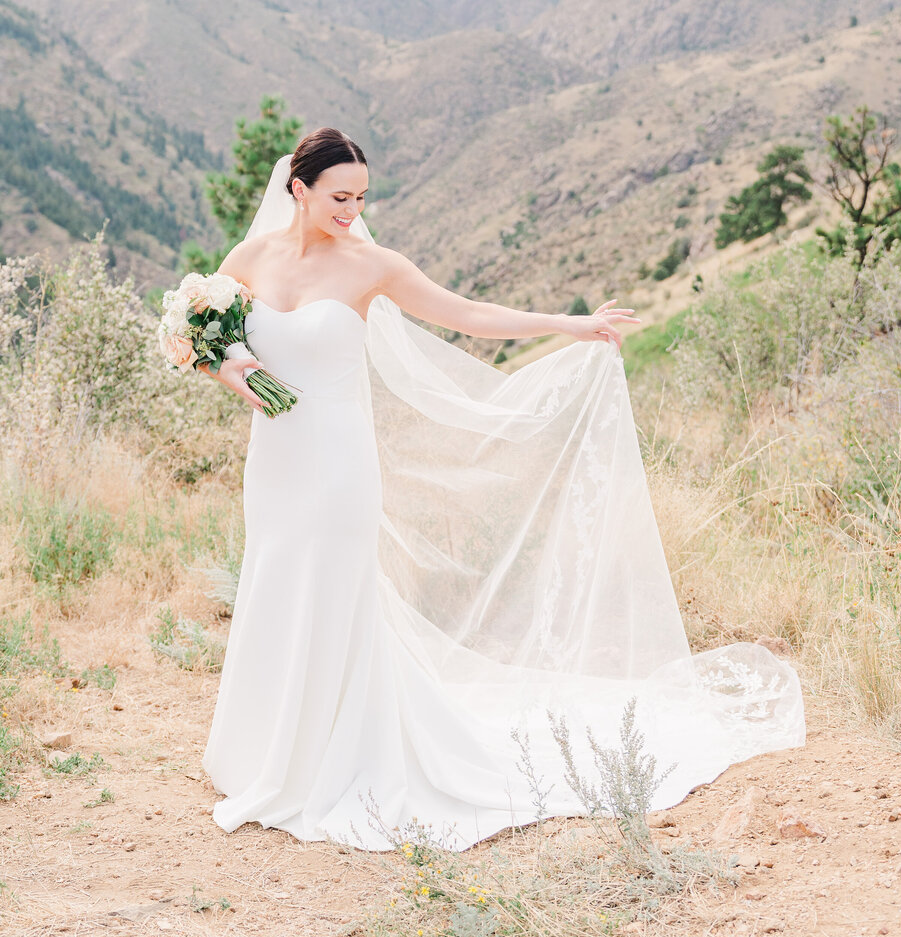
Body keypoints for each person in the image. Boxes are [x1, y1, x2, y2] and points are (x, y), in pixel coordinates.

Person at [200, 126, 803, 849]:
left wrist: (571, 325)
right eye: (337, 196)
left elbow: (469, 315)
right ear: (297, 189)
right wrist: (223, 366)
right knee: (275, 581)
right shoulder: (250, 258)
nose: (351, 210)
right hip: (274, 462)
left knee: (333, 592)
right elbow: (207, 330)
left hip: (337, 465)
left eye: (361, 197)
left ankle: (334, 759)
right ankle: (267, 750)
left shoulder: (371, 264)